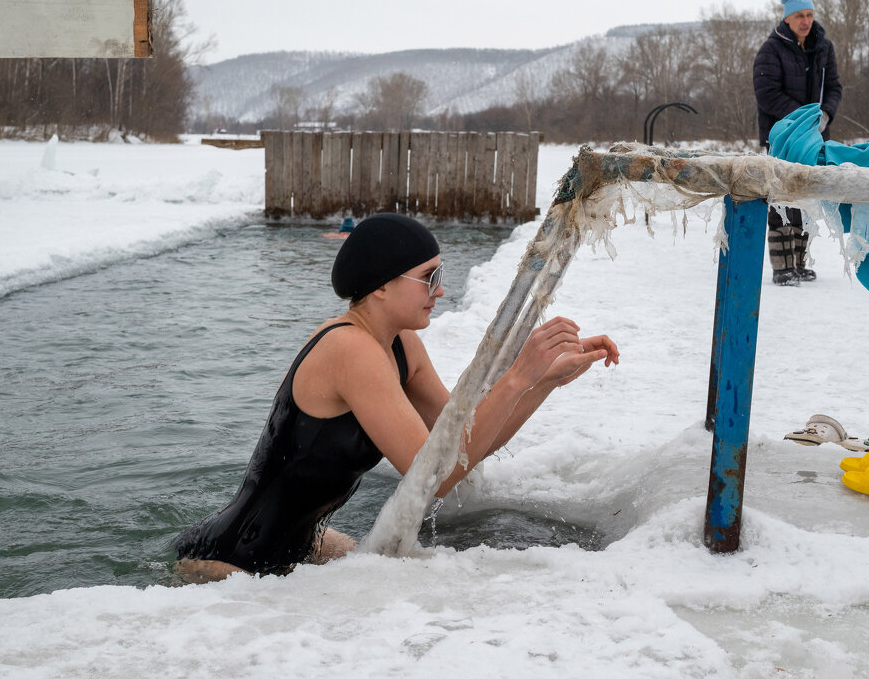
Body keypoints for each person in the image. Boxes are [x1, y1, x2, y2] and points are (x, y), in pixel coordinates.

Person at [174, 213, 619, 581]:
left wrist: (543, 381)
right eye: (430, 277)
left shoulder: (401, 345)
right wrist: (518, 375)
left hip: (301, 548)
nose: (441, 290)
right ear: (382, 284)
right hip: (228, 563)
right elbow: (434, 477)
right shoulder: (349, 350)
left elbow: (463, 445)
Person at [753, 0, 843, 286]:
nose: (806, 21)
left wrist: (825, 115)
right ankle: (782, 267)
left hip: (816, 137)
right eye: (799, 16)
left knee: (806, 197)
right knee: (782, 198)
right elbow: (767, 95)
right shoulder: (770, 50)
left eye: (809, 14)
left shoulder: (824, 48)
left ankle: (800, 263)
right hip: (782, 138)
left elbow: (834, 87)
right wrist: (801, 118)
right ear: (787, 19)